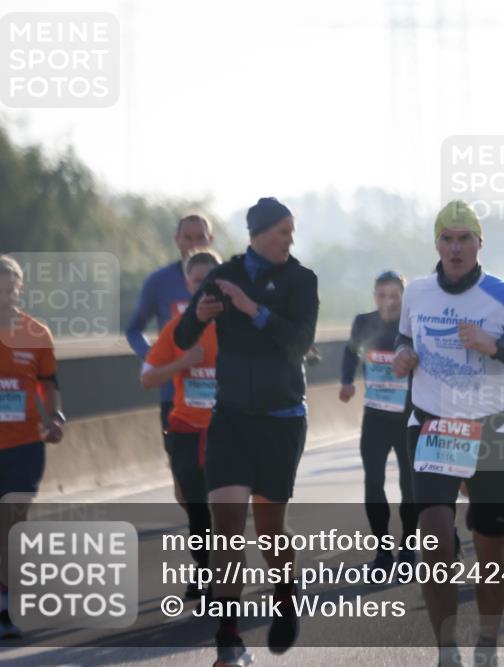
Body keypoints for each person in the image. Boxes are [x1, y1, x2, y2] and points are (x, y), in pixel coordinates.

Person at [391, 200, 504, 666]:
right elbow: (405, 337)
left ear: (480, 244)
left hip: (491, 429)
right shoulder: (417, 292)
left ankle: (488, 641)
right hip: (431, 424)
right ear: (437, 243)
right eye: (448, 238)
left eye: (465, 239)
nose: (456, 247)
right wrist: (403, 354)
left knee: (491, 549)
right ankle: (447, 650)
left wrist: (495, 347)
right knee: (435, 543)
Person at [175, 197, 318, 666]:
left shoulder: (302, 280)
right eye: (283, 231)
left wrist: (251, 309)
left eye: (292, 232)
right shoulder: (224, 275)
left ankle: (285, 590)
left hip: (281, 420)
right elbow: (180, 337)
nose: (290, 240)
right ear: (258, 233)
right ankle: (229, 638)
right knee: (228, 527)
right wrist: (201, 316)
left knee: (270, 529)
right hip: (231, 418)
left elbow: (301, 341)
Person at [0, 255, 66, 638]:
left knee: (13, 521)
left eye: (12, 291)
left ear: (20, 290)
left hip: (25, 445)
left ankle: (8, 609)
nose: (5, 298)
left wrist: (55, 417)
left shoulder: (37, 333)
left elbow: (49, 382)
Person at [141, 249, 222, 600]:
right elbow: (147, 378)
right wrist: (184, 362)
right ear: (187, 285)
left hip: (228, 431)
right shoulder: (176, 330)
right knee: (195, 506)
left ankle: (222, 573)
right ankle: (203, 570)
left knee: (224, 507)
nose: (202, 286)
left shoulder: (237, 328)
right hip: (186, 428)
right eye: (195, 279)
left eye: (209, 278)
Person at [339, 270, 417, 572]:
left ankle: (408, 546)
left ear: (403, 297)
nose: (388, 302)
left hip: (407, 417)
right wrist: (347, 381)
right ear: (375, 297)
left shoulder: (411, 325)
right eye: (382, 296)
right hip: (375, 417)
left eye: (394, 296)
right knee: (373, 482)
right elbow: (350, 353)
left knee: (409, 486)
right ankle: (383, 550)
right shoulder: (364, 322)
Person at [127, 214, 214, 433]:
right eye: (188, 237)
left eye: (200, 237)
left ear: (210, 239)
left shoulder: (226, 278)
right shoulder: (159, 281)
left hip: (223, 402)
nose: (194, 244)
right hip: (174, 393)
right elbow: (134, 328)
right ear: (177, 240)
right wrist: (153, 355)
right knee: (184, 465)